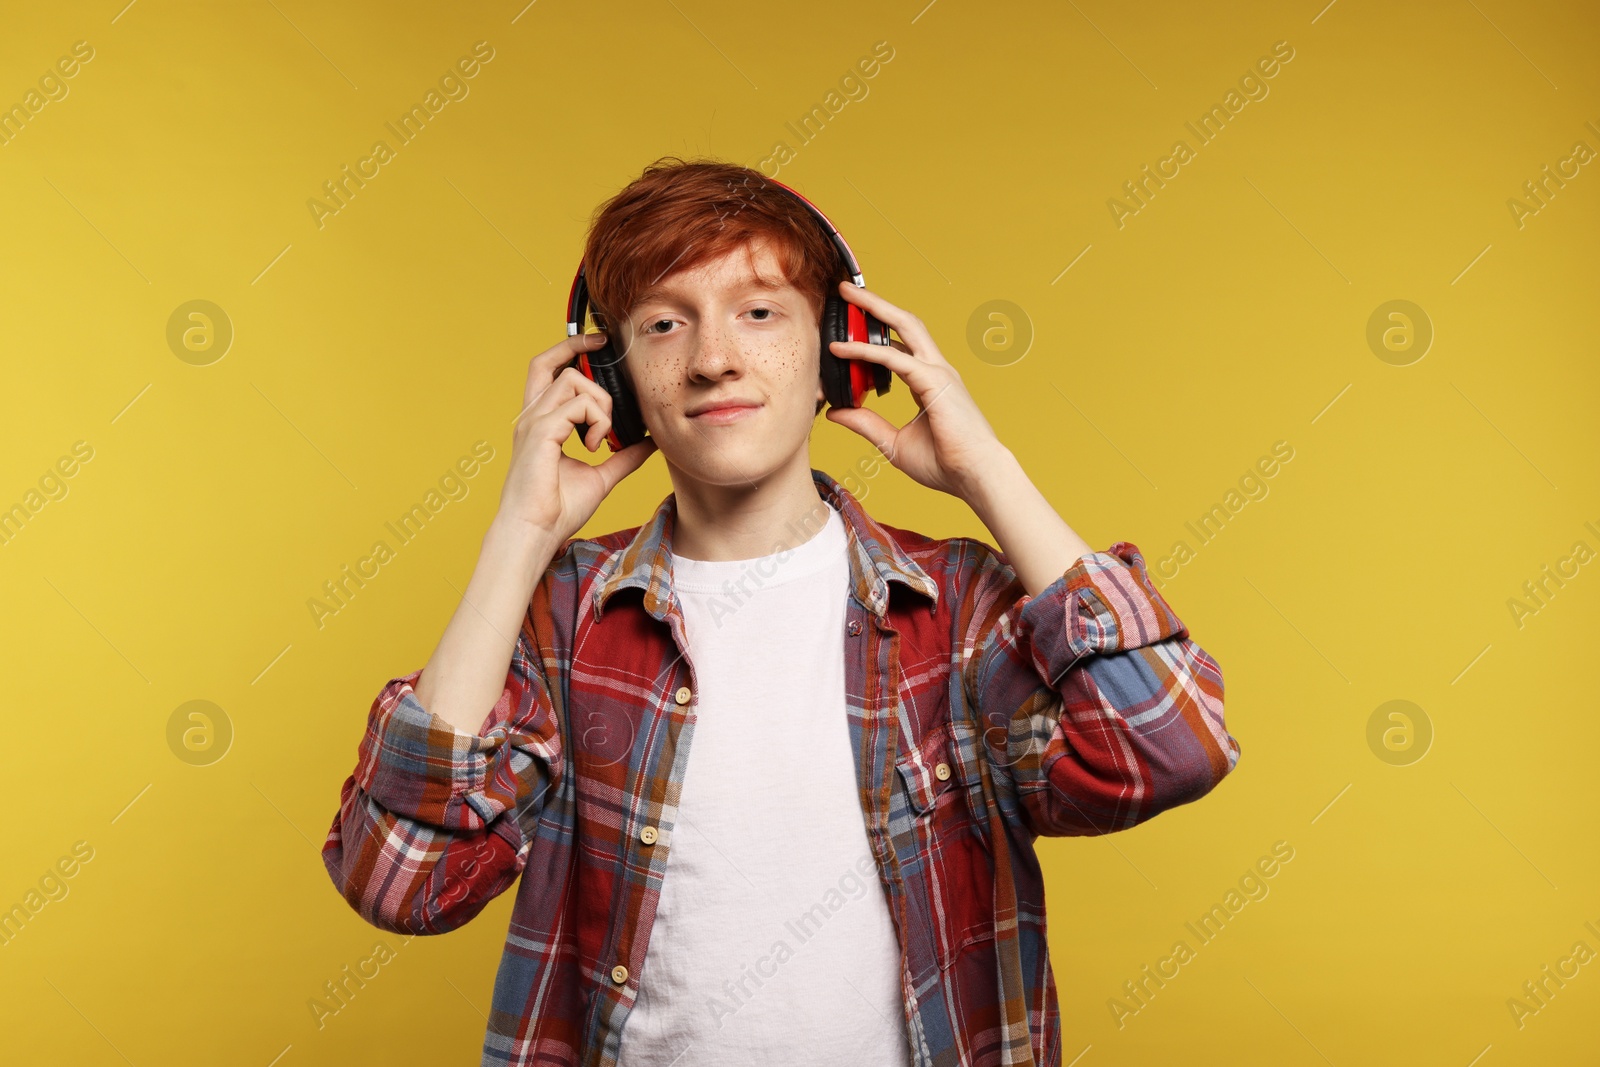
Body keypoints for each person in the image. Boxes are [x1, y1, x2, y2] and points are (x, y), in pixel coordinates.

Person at [321, 157, 1240, 1067]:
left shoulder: (956, 606)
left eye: (759, 313)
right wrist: (519, 537)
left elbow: (1169, 746)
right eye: (664, 324)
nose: (714, 358)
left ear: (841, 351)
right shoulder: (563, 614)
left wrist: (987, 474)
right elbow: (403, 881)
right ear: (615, 377)